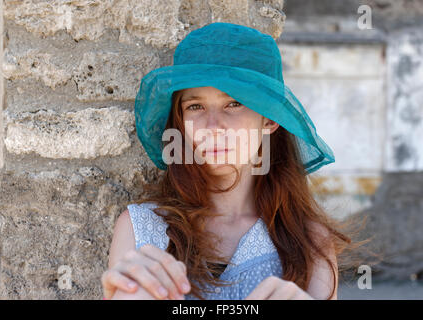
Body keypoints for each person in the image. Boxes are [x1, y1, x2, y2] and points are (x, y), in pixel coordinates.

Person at [101, 22, 354, 300]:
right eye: (195, 106)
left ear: (269, 118)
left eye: (233, 103)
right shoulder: (139, 226)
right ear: (181, 122)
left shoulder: (310, 242)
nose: (213, 126)